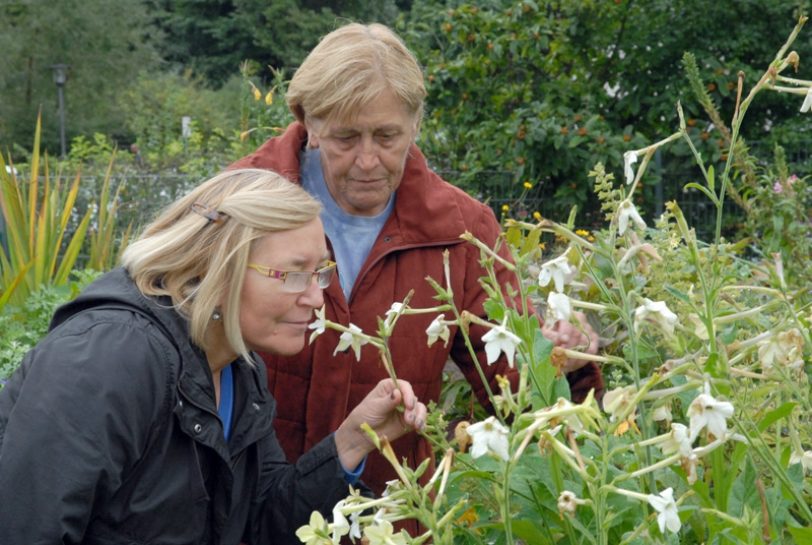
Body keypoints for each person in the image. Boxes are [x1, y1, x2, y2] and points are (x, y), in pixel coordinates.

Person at [230, 22, 604, 514]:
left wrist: (564, 366)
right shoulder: (241, 205)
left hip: (392, 517)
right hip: (245, 512)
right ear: (308, 121)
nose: (368, 160)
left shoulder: (462, 232)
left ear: (416, 123)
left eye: (387, 136)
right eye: (346, 137)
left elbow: (515, 392)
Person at [0, 168, 427, 544]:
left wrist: (351, 440)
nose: (318, 297)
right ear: (219, 268)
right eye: (294, 274)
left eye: (320, 271)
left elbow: (264, 518)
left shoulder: (237, 367)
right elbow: (25, 528)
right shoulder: (108, 360)